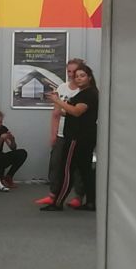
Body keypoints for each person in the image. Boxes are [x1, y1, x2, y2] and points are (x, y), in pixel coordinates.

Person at [41, 65, 98, 212]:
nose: (78, 78)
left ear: (89, 77)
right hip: (84, 136)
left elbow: (77, 111)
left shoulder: (88, 94)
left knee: (66, 170)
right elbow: (77, 114)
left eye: (82, 76)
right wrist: (61, 109)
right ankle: (91, 202)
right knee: (85, 170)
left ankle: (58, 202)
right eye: (76, 76)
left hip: (77, 138)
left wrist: (58, 100)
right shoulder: (85, 93)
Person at [35, 58, 87, 208]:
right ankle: (53, 195)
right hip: (61, 133)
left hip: (77, 134)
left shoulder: (84, 91)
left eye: (74, 71)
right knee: (56, 164)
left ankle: (78, 196)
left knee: (77, 167)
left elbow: (80, 113)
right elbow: (56, 113)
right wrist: (53, 134)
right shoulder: (62, 88)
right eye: (68, 71)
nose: (71, 74)